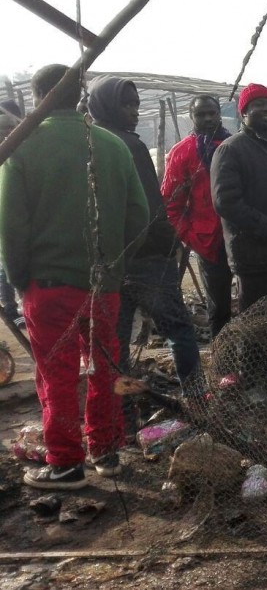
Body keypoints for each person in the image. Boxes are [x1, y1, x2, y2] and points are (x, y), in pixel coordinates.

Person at [0, 64, 149, 488]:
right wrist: (116, 261)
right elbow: (139, 215)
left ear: (37, 97)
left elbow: (11, 226)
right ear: (80, 96)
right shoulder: (112, 145)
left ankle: (66, 463)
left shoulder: (23, 146)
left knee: (57, 373)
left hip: (48, 287)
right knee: (104, 367)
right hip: (105, 284)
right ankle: (106, 450)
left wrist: (18, 276)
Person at [88, 76, 203, 401]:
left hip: (109, 262)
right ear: (108, 105)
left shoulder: (90, 142)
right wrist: (172, 244)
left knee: (116, 341)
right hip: (147, 257)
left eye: (137, 105)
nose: (134, 112)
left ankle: (120, 414)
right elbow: (150, 205)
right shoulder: (130, 145)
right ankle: (197, 397)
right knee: (178, 329)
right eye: (127, 105)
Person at [211, 83, 267, 392]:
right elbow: (226, 202)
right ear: (244, 112)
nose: (266, 110)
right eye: (258, 105)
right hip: (255, 256)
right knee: (257, 322)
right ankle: (253, 382)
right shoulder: (231, 150)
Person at [161, 95, 234, 337]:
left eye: (212, 112)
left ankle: (252, 358)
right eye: (201, 114)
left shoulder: (236, 145)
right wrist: (191, 236)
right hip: (209, 242)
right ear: (191, 117)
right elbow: (171, 205)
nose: (208, 118)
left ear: (219, 113)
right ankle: (224, 365)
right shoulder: (183, 153)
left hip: (243, 236)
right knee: (219, 307)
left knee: (251, 302)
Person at [0, 107, 24, 326]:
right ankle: (10, 308)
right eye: (4, 129)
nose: (9, 132)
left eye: (12, 127)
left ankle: (15, 308)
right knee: (4, 266)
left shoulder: (20, 152)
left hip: (13, 215)